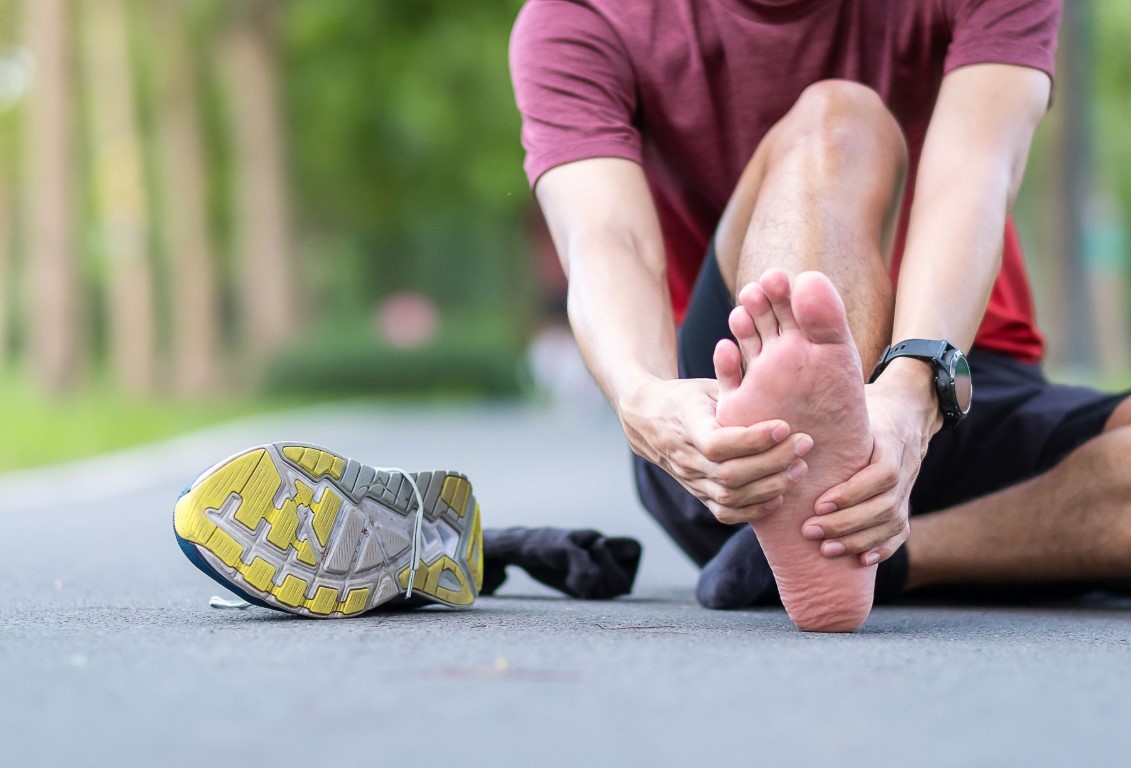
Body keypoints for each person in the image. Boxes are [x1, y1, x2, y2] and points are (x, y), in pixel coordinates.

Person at [510, 0, 1131, 632]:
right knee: (841, 121)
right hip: (735, 443)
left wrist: (913, 396)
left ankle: (887, 555)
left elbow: (972, 174)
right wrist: (644, 397)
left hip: (952, 377)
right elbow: (609, 240)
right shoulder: (580, 17)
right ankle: (810, 477)